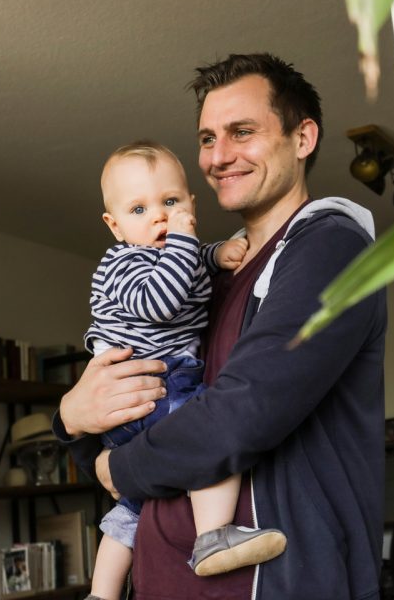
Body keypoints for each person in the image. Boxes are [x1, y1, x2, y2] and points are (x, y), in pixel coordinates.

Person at [54, 53, 387, 600]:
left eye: (242, 132)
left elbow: (242, 411)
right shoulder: (209, 274)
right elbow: (143, 400)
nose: (220, 156)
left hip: (279, 584)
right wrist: (71, 419)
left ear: (303, 138)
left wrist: (121, 467)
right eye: (208, 139)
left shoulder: (328, 246)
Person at [84, 141, 287, 600]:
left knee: (133, 511)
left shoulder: (176, 253)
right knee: (211, 431)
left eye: (171, 202)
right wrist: (186, 241)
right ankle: (213, 535)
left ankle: (101, 593)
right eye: (139, 208)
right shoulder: (120, 265)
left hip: (150, 395)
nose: (159, 216)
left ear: (191, 204)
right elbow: (162, 301)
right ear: (114, 226)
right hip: (151, 387)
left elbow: (190, 265)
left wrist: (215, 255)